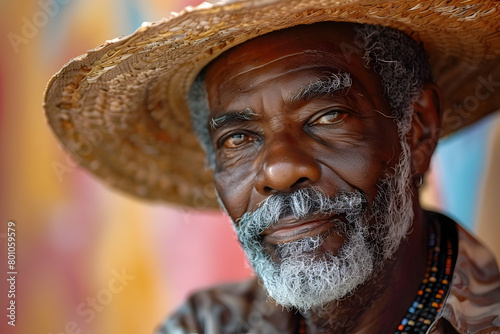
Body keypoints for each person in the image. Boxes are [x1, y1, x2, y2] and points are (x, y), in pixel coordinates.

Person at [43, 0, 500, 333]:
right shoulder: (210, 325)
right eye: (238, 138)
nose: (280, 171)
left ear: (417, 128)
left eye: (327, 116)